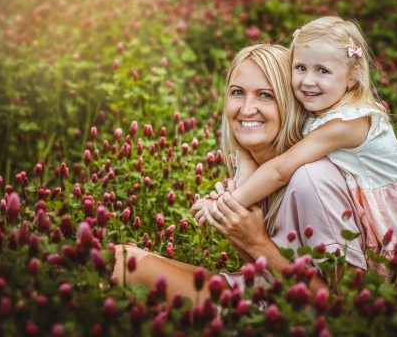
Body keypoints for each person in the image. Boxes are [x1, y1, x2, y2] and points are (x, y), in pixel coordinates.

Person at [195, 17, 397, 273]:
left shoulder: (344, 123)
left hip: (390, 217)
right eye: (300, 68)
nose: (308, 80)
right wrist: (228, 203)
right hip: (360, 206)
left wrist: (225, 205)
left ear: (352, 76)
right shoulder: (320, 104)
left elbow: (280, 170)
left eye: (322, 70)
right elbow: (249, 153)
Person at [113, 43, 367, 306]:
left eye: (265, 95)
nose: (246, 109)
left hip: (291, 315)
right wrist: (234, 224)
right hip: (263, 290)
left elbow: (349, 307)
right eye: (237, 92)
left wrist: (257, 243)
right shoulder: (254, 169)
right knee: (123, 257)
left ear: (291, 103)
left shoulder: (311, 180)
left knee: (132, 272)